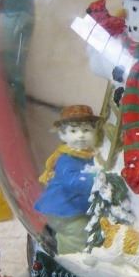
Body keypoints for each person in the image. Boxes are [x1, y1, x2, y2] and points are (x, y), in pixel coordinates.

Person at [35, 105, 103, 253]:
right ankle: (71, 256)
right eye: (73, 131)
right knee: (79, 233)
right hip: (64, 210)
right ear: (63, 135)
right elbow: (73, 182)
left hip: (78, 208)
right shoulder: (66, 159)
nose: (80, 135)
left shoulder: (91, 155)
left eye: (86, 130)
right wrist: (96, 178)